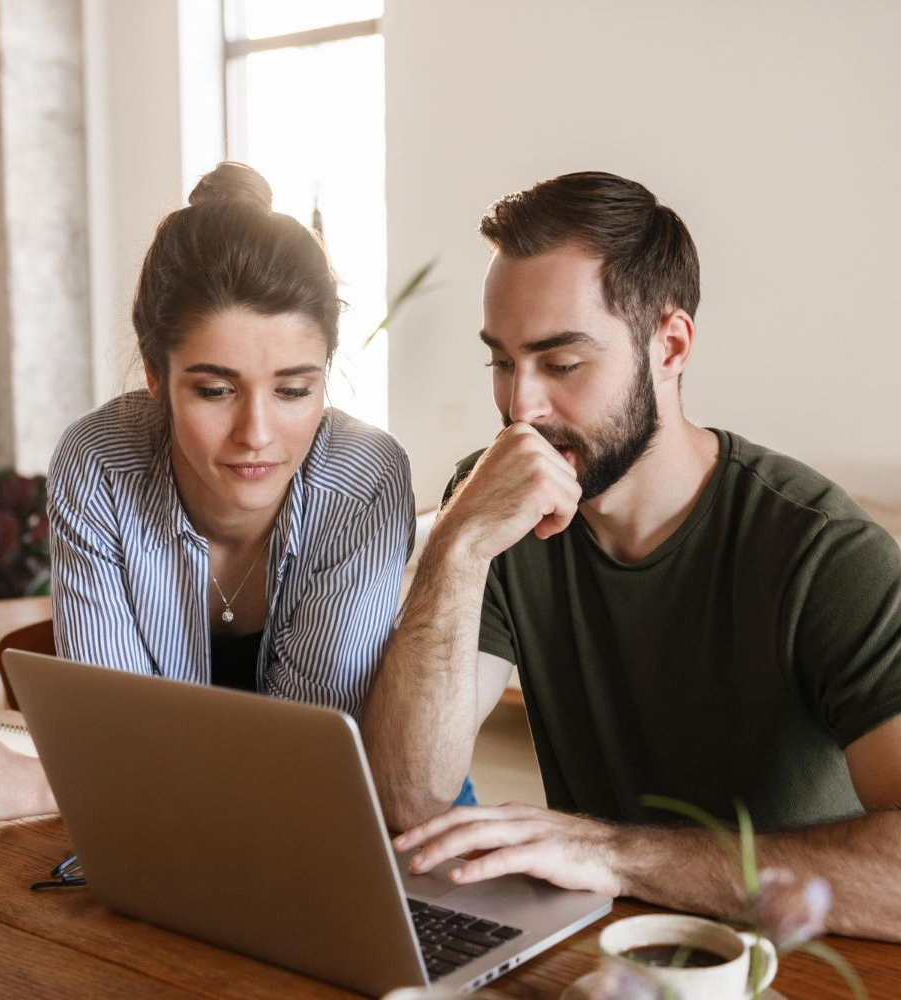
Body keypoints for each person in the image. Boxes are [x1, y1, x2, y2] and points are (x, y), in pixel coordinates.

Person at [361, 171, 901, 941]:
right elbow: (406, 798)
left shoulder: (823, 553)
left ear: (670, 346)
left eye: (561, 363)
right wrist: (458, 541)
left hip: (789, 965)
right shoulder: (495, 510)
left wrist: (616, 854)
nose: (521, 409)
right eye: (502, 362)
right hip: (596, 955)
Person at [0, 162, 415, 820]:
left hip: (361, 828)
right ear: (153, 372)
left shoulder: (364, 479)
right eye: (214, 390)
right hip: (170, 836)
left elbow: (300, 769)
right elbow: (113, 731)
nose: (256, 434)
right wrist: (98, 769)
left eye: (293, 390)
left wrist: (48, 786)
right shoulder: (101, 463)